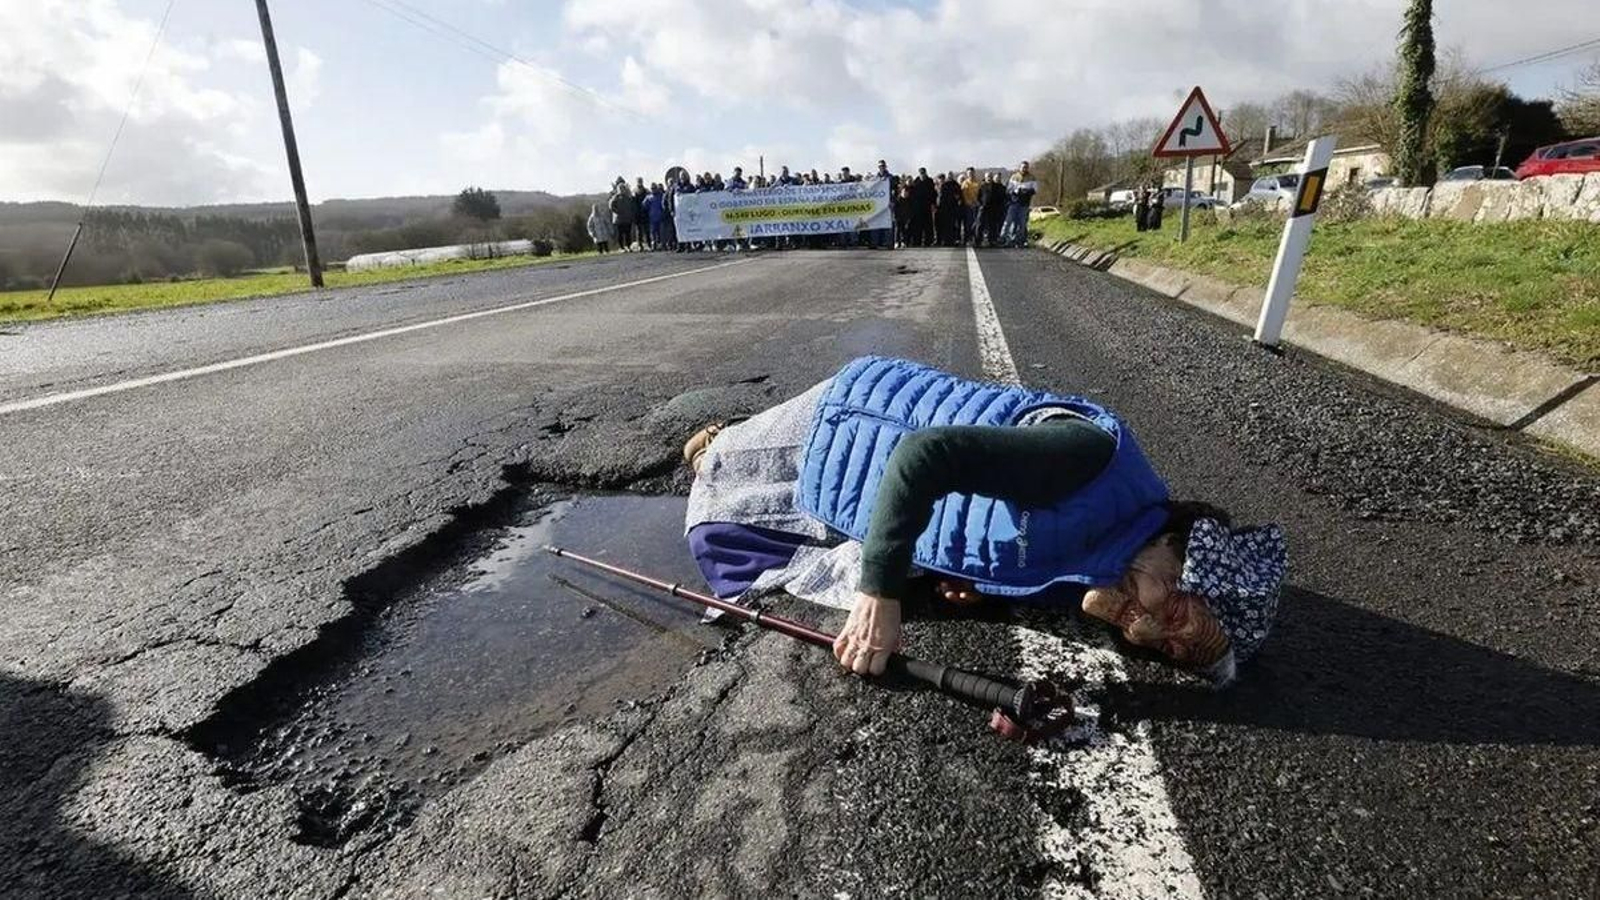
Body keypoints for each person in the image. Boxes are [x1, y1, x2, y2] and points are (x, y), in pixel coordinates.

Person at [681, 356, 1286, 686]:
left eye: (1172, 649)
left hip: (893, 487)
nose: (1148, 630)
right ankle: (721, 437)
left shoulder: (1117, 559)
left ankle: (724, 451)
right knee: (720, 482)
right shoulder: (1089, 461)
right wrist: (878, 594)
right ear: (1179, 547)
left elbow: (1026, 545)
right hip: (858, 427)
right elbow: (923, 454)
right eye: (1175, 614)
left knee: (726, 538)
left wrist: (979, 578)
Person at [1002, 160, 1037, 248]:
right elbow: (1008, 190)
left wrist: (1026, 191)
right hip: (1014, 203)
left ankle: (1018, 240)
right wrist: (1015, 191)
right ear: (1020, 168)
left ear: (1028, 168)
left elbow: (1035, 190)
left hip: (1024, 204)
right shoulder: (1014, 177)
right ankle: (1004, 239)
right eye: (1023, 167)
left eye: (1026, 167)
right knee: (1008, 221)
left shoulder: (1032, 177)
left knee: (1022, 223)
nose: (1024, 169)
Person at [978, 171, 1007, 248]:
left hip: (994, 209)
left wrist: (998, 206)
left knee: (992, 226)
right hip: (984, 208)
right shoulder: (982, 186)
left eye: (990, 177)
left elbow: (1001, 198)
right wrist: (981, 204)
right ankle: (978, 240)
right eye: (988, 177)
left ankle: (992, 241)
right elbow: (979, 197)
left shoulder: (996, 186)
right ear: (985, 178)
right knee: (980, 224)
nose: (989, 178)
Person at [908, 167, 936, 247]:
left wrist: (933, 204)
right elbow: (912, 194)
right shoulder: (916, 182)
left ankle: (928, 241)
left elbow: (933, 193)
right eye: (921, 173)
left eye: (923, 173)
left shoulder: (930, 181)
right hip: (918, 207)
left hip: (927, 206)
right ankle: (917, 241)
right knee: (918, 225)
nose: (922, 175)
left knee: (928, 225)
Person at [936, 173, 963, 247]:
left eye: (942, 179)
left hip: (950, 208)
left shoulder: (953, 185)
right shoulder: (939, 186)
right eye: (940, 179)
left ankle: (950, 241)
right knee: (941, 226)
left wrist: (957, 199)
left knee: (950, 226)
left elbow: (957, 196)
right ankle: (942, 240)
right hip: (941, 209)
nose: (941, 180)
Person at [959, 166, 982, 246]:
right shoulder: (965, 183)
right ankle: (967, 239)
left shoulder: (978, 183)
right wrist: (969, 203)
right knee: (968, 223)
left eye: (972, 173)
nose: (970, 174)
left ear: (974, 173)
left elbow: (981, 193)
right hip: (968, 206)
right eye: (969, 173)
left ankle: (975, 239)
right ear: (967, 174)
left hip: (977, 206)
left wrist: (978, 202)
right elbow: (964, 195)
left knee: (976, 223)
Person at [609, 185, 636, 252]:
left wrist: (631, 215)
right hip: (619, 220)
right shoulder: (615, 197)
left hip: (627, 219)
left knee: (628, 234)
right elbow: (611, 206)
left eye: (623, 189)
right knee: (620, 234)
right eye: (620, 189)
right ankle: (622, 247)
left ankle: (629, 247)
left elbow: (632, 207)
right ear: (618, 190)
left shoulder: (628, 197)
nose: (622, 190)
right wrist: (617, 211)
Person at [643, 184, 667, 250]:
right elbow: (644, 205)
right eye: (652, 188)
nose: (653, 190)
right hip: (652, 218)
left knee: (661, 232)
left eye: (654, 188)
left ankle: (662, 245)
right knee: (653, 232)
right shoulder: (648, 197)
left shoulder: (661, 196)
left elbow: (665, 204)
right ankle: (654, 245)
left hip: (660, 217)